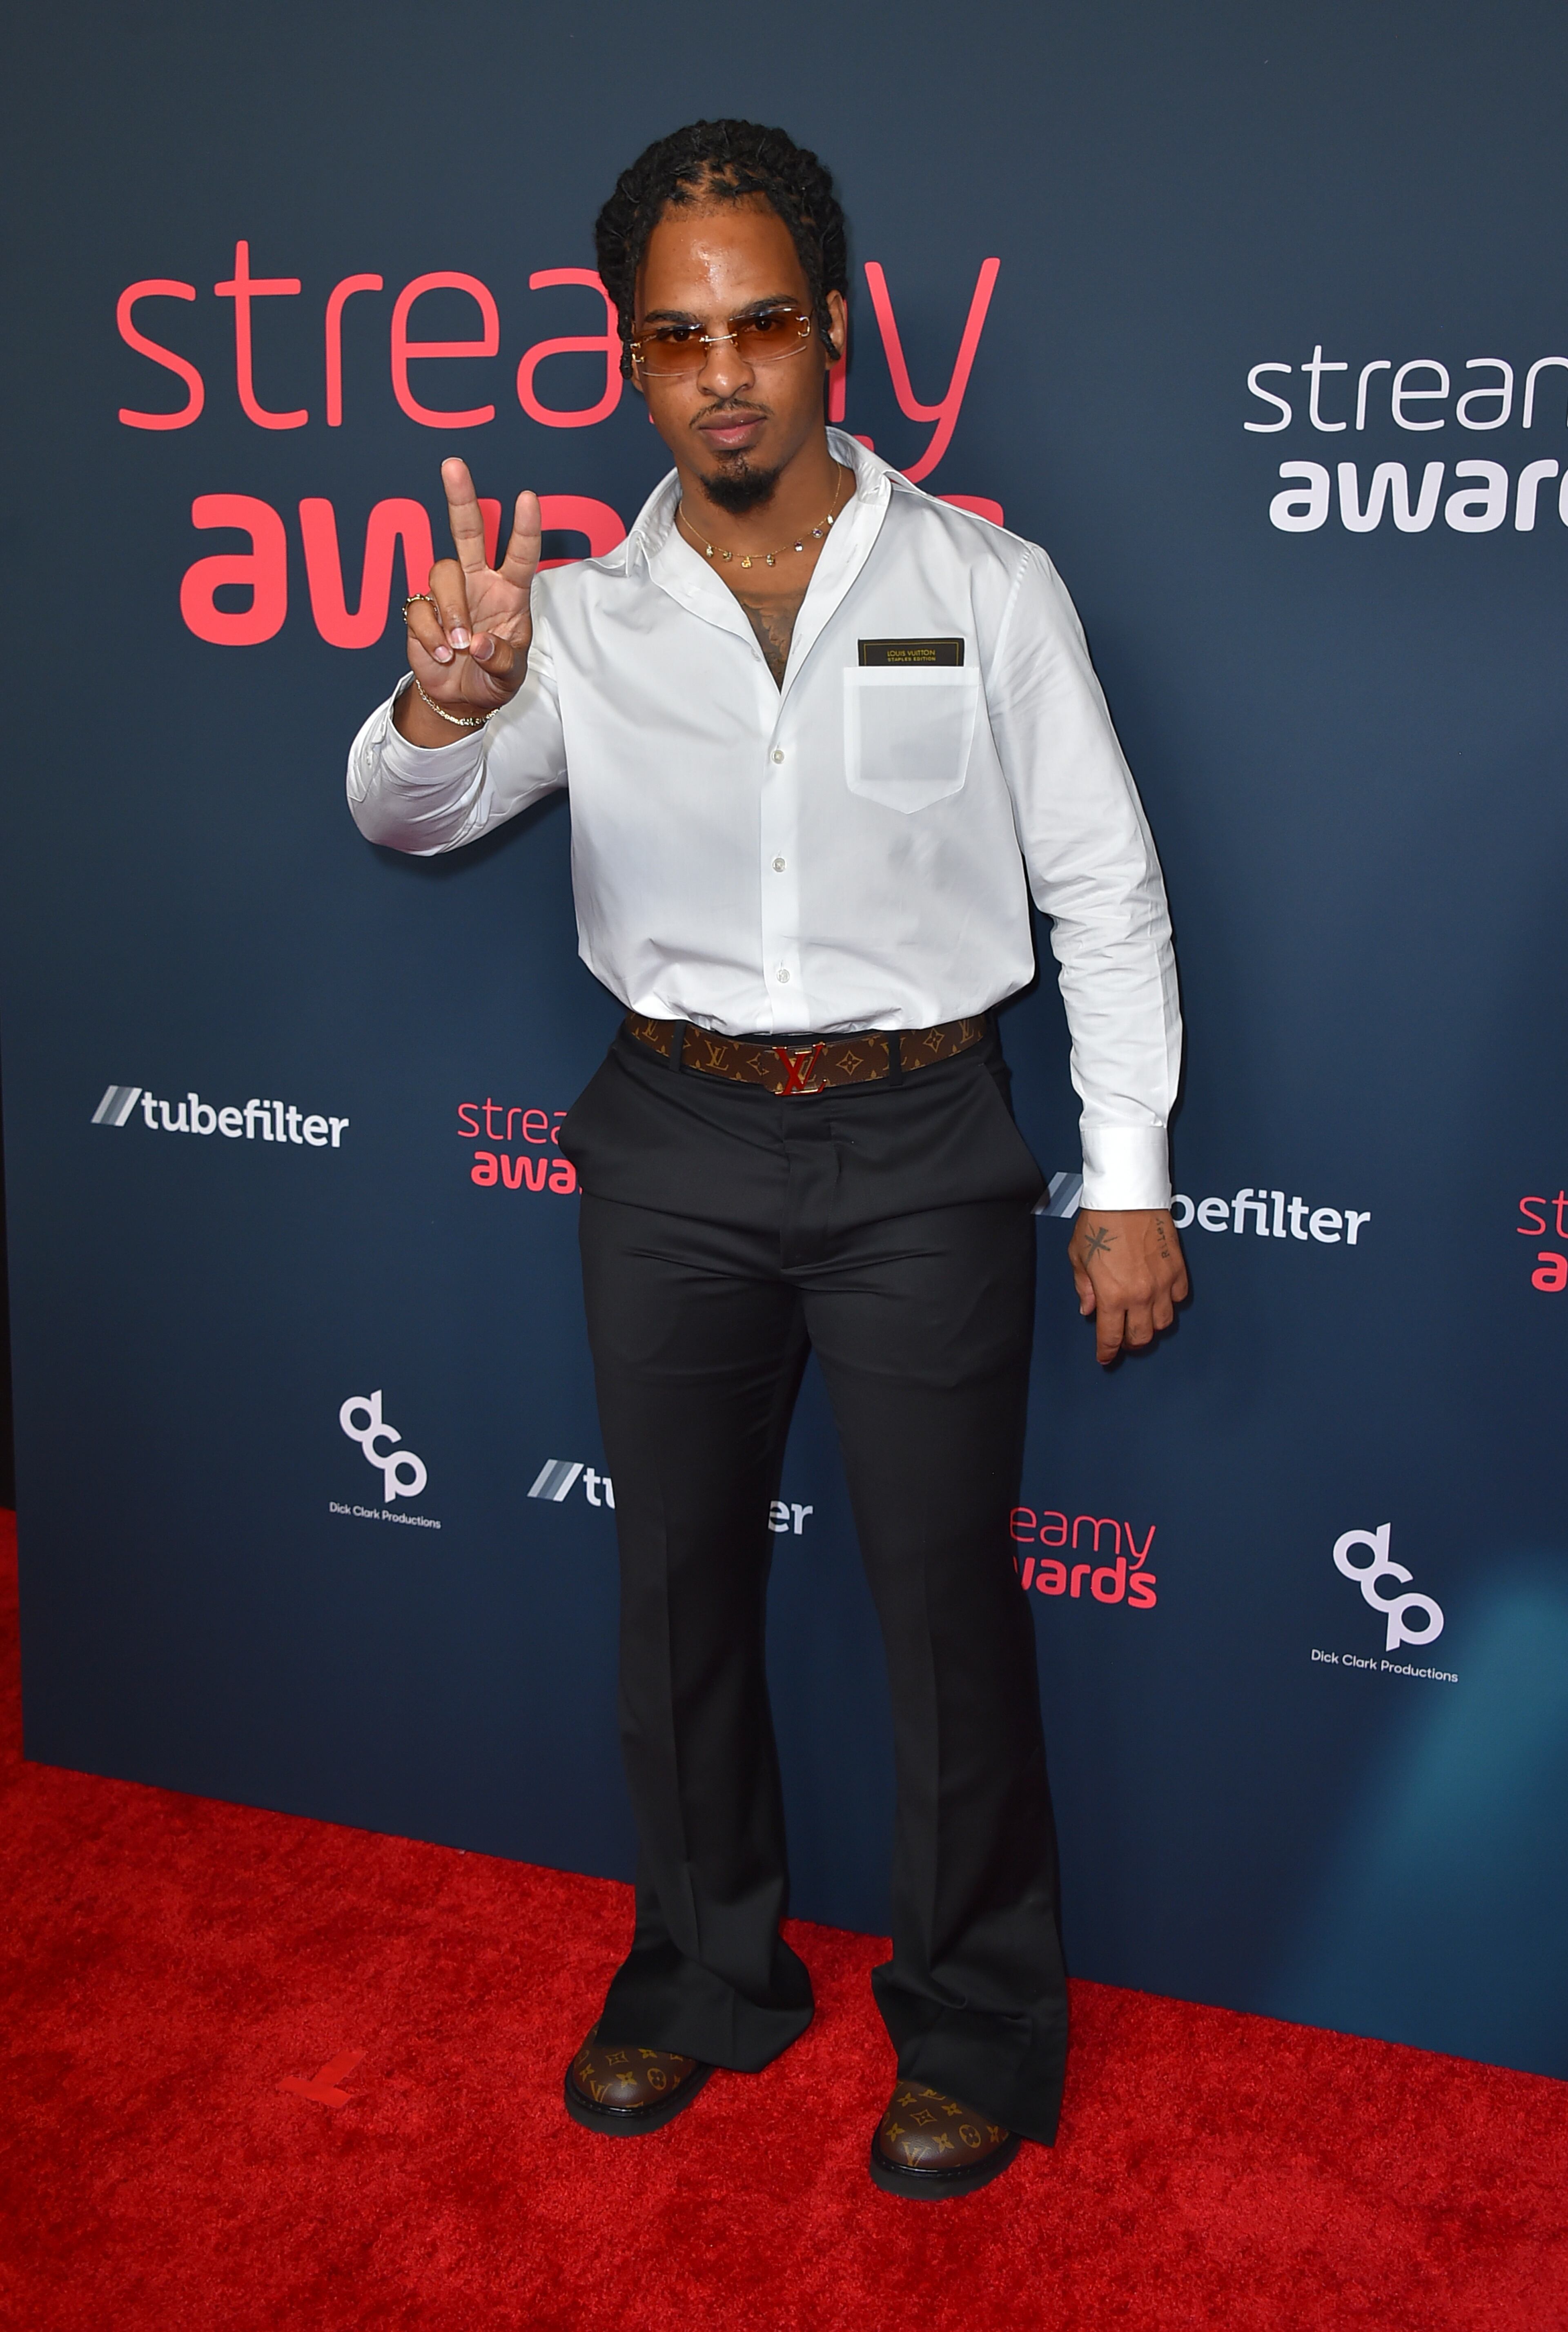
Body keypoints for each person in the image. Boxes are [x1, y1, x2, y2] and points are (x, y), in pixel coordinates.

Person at [347, 117, 1186, 2199]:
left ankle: (977, 2022)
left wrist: (1133, 1172)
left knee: (943, 1613)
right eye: (674, 339)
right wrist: (444, 707)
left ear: (835, 334)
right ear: (632, 362)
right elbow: (408, 819)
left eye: (760, 328)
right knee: (678, 1593)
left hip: (925, 1146)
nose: (723, 376)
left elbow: (1108, 889)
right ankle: (708, 1975)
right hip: (671, 1142)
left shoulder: (988, 582)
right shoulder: (584, 614)